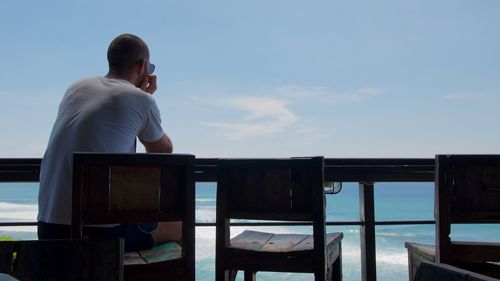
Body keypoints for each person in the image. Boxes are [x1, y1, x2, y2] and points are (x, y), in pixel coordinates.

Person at [37, 34, 179, 252]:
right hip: (101, 237)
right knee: (180, 227)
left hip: (49, 230)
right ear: (142, 66)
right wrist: (146, 98)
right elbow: (162, 150)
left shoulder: (75, 88)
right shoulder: (141, 99)